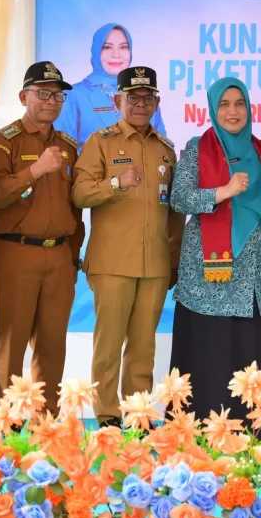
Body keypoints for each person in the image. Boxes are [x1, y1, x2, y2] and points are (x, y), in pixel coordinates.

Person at [71, 66, 184, 427]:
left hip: (154, 265)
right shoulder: (99, 142)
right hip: (112, 263)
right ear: (118, 100)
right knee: (108, 347)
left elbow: (175, 213)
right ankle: (106, 416)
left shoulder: (166, 149)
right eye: (131, 97)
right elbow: (79, 194)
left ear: (157, 102)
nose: (139, 104)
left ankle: (138, 415)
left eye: (146, 97)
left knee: (142, 348)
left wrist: (174, 259)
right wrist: (116, 183)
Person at [169, 78, 261, 420]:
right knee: (211, 349)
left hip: (252, 273)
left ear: (248, 108)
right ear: (213, 108)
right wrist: (222, 191)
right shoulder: (197, 147)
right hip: (208, 275)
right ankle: (203, 426)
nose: (232, 111)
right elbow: (179, 198)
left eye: (239, 103)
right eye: (224, 104)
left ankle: (253, 427)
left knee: (247, 346)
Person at [0, 62, 85, 415]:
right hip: (15, 252)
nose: (52, 101)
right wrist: (36, 169)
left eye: (58, 95)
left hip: (58, 256)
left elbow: (76, 208)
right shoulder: (2, 142)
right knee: (9, 346)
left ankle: (46, 426)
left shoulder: (70, 146)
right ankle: (6, 428)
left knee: (53, 346)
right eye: (43, 93)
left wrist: (73, 257)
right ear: (23, 96)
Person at [56, 24, 166, 153]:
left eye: (123, 47)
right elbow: (64, 155)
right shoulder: (73, 96)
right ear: (96, 50)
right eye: (107, 47)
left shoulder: (147, 97)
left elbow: (162, 152)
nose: (116, 54)